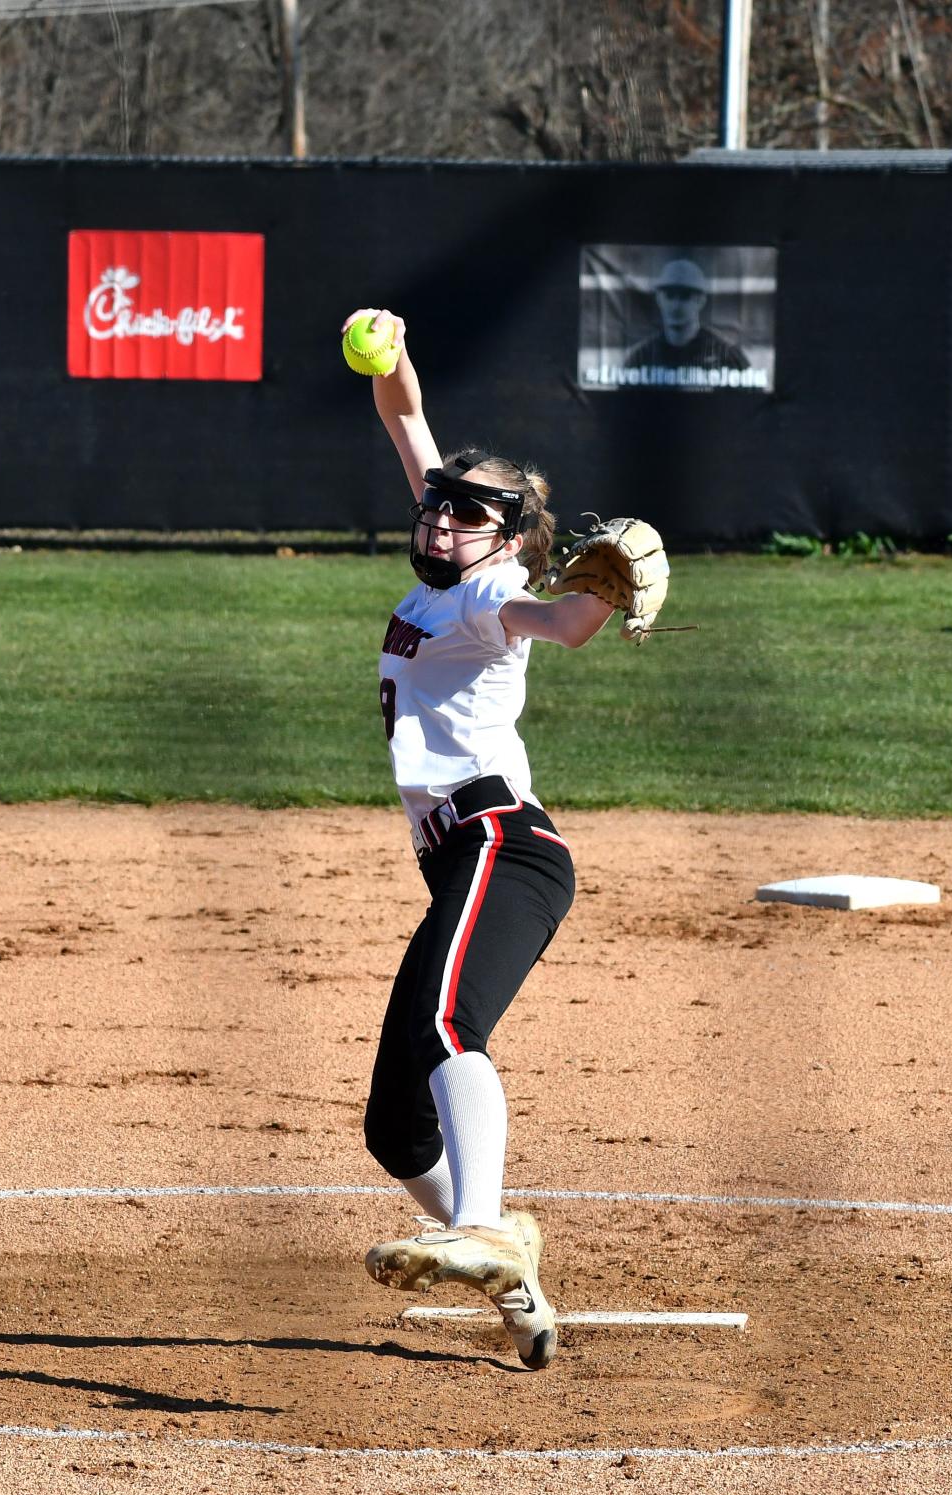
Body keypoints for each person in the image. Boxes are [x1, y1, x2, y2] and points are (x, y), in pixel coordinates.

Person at [342, 305, 618, 1371]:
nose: (443, 522)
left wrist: (601, 587)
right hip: (461, 857)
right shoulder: (438, 579)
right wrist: (397, 350)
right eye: (437, 508)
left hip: (507, 844)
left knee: (449, 1026)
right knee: (394, 1128)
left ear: (507, 540)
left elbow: (560, 622)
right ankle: (512, 1275)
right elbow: (403, 411)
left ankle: (488, 1225)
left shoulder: (495, 590)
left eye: (468, 516)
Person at [624, 258, 751, 373]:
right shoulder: (640, 357)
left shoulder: (726, 354)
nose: (676, 306)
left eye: (685, 296)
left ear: (701, 300)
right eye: (669, 296)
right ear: (658, 299)